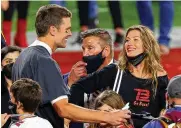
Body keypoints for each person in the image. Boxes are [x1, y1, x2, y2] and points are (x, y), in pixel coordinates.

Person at [12, 4, 131, 128]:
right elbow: (63, 109)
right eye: (67, 29)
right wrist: (108, 116)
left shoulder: (23, 55)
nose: (69, 34)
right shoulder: (45, 61)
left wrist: (69, 82)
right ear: (53, 30)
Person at [69, 25, 169, 128]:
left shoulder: (160, 78)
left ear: (147, 45)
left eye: (135, 40)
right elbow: (78, 87)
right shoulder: (115, 71)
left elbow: (166, 113)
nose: (129, 44)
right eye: (127, 40)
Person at [65, 28, 115, 128]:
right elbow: (62, 109)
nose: (85, 54)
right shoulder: (75, 76)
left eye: (90, 48)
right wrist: (70, 83)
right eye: (83, 49)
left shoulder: (122, 75)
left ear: (106, 51)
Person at [1, 46, 21, 128]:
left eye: (17, 60)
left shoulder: (34, 86)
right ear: (1, 65)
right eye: (8, 61)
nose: (13, 64)